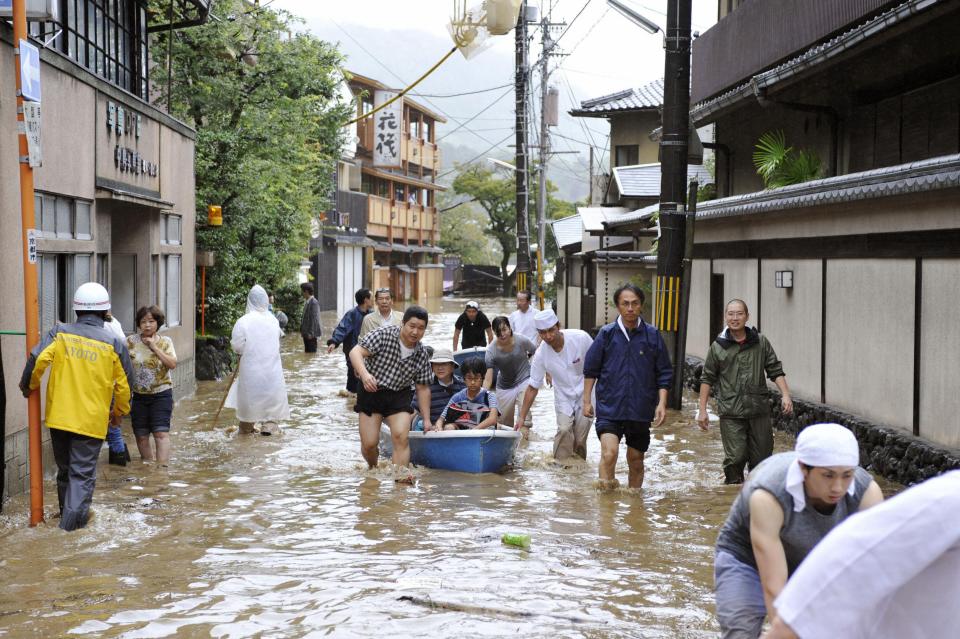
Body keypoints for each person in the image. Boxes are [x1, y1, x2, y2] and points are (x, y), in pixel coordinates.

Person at [714, 423, 884, 639]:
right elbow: (774, 588)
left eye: (847, 475)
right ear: (803, 468)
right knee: (742, 630)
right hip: (748, 560)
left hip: (814, 560)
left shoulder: (866, 494)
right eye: (828, 476)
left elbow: (872, 573)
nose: (838, 487)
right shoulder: (768, 494)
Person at [762, 470, 960, 639]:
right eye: (828, 475)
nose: (837, 487)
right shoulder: (949, 500)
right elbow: (855, 549)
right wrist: (791, 624)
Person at [18, 282, 132, 531]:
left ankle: (65, 520)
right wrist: (118, 413)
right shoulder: (114, 342)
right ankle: (68, 534)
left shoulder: (60, 332)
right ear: (105, 312)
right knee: (81, 476)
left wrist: (28, 386)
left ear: (76, 310)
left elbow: (37, 359)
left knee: (65, 472)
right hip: (90, 423)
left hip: (58, 419)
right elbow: (125, 385)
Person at [582, 284, 671, 489]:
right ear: (618, 307)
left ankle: (634, 506)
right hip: (609, 407)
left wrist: (662, 403)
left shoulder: (652, 335)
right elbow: (591, 370)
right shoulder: (606, 334)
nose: (630, 308)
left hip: (640, 408)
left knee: (636, 460)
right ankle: (606, 509)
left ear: (641, 306)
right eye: (625, 304)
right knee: (609, 453)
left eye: (634, 303)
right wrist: (586, 401)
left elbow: (664, 372)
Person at [698, 299, 794, 484]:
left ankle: (755, 496)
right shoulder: (718, 347)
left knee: (762, 461)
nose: (735, 318)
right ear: (726, 317)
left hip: (758, 410)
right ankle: (732, 495)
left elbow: (774, 369)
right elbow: (707, 378)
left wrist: (786, 395)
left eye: (739, 314)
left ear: (747, 316)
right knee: (735, 458)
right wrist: (702, 410)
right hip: (731, 411)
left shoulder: (760, 342)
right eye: (731, 314)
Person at [349, 306, 433, 476]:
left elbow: (423, 388)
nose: (415, 332)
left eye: (421, 328)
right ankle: (373, 468)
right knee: (369, 444)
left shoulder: (422, 353)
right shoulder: (383, 334)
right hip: (371, 390)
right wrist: (365, 375)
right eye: (412, 326)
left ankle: (401, 485)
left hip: (399, 395)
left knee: (401, 437)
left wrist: (426, 419)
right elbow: (355, 352)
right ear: (403, 323)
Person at [514, 309, 594, 461]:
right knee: (564, 429)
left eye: (551, 330)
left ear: (559, 326)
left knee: (580, 438)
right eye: (543, 333)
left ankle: (579, 471)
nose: (548, 336)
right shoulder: (541, 355)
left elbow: (599, 364)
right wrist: (522, 417)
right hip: (563, 395)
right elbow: (532, 387)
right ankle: (559, 467)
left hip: (587, 393)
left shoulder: (581, 338)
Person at [225, 285, 290, 436]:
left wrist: (240, 352)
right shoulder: (273, 321)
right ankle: (269, 427)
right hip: (272, 371)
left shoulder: (243, 321)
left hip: (251, 371)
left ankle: (247, 430)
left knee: (249, 406)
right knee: (270, 405)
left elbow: (237, 346)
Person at [127, 305, 178, 464]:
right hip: (138, 395)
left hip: (162, 394)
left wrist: (154, 347)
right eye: (143, 321)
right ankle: (147, 468)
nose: (147, 325)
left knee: (160, 434)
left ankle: (161, 471)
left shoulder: (165, 342)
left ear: (158, 323)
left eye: (151, 321)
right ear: (139, 324)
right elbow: (121, 364)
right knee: (141, 435)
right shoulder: (130, 342)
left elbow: (172, 364)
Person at [484, 316, 537, 436]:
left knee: (524, 419)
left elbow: (537, 352)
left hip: (524, 378)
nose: (502, 334)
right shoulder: (491, 351)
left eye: (504, 329)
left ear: (510, 327)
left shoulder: (521, 340)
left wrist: (543, 372)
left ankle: (525, 447)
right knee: (504, 425)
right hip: (504, 386)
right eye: (498, 332)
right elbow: (488, 378)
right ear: (494, 333)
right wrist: (482, 395)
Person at [326, 288, 374, 395]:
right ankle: (351, 399)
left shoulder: (372, 314)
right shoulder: (352, 314)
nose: (373, 300)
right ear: (366, 300)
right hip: (352, 351)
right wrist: (334, 342)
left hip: (368, 352)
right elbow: (342, 328)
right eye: (371, 298)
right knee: (353, 378)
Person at [436, 357, 499, 430]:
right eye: (469, 378)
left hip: (482, 432)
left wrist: (473, 431)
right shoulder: (458, 397)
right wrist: (439, 426)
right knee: (448, 427)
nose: (473, 382)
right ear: (464, 379)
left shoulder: (489, 396)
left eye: (476, 378)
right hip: (462, 433)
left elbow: (493, 419)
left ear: (483, 378)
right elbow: (442, 418)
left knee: (491, 428)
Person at [103, 310, 132, 466]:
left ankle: (119, 462)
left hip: (110, 384)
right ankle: (120, 464)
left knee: (113, 427)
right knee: (114, 427)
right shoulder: (114, 322)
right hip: (115, 384)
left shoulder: (106, 326)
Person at [412, 347, 465, 430]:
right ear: (432, 367)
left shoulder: (462, 385)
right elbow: (414, 411)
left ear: (452, 367)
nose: (440, 368)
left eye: (444, 364)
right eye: (436, 364)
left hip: (455, 428)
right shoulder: (425, 386)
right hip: (431, 428)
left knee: (449, 428)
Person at [299, 282, 322, 353]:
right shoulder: (308, 301)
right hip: (306, 333)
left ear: (306, 291)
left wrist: (311, 334)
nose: (301, 293)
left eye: (302, 291)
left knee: (311, 354)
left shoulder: (314, 302)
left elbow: (315, 319)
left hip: (311, 335)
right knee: (307, 354)